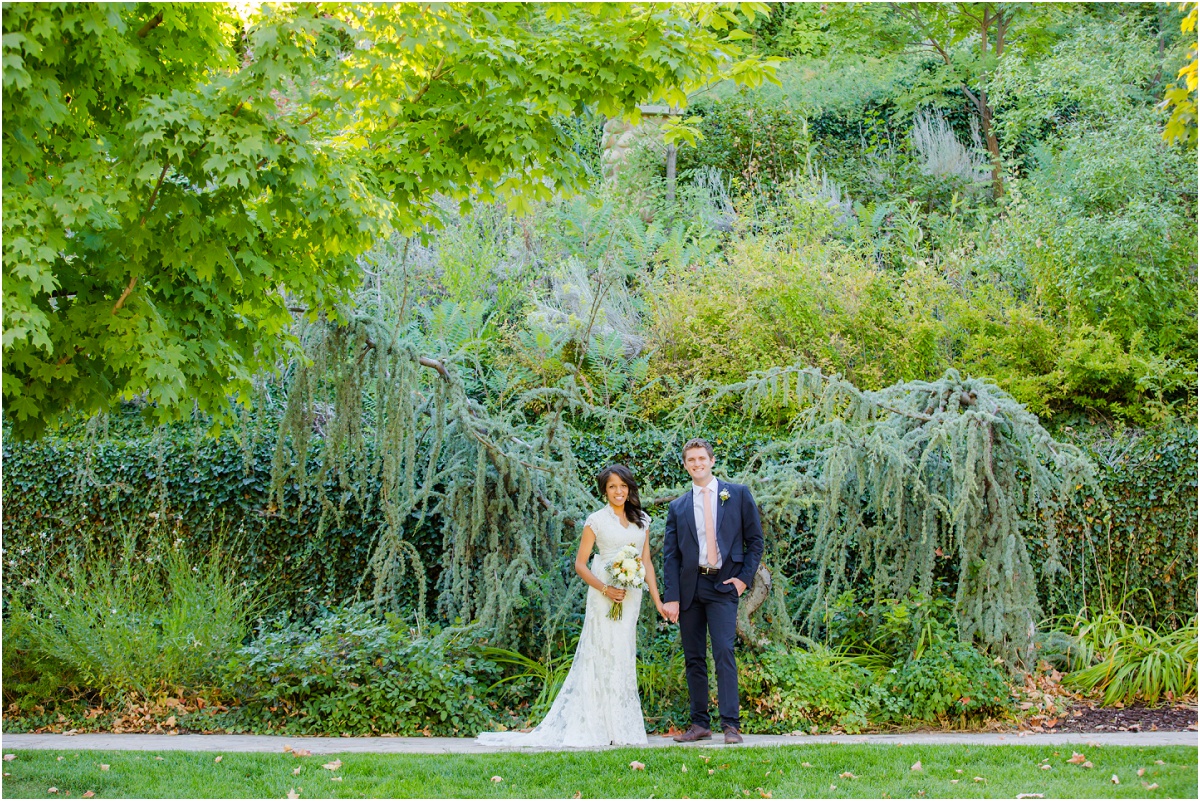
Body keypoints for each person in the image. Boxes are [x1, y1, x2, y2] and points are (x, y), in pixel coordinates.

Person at [476, 464, 667, 748]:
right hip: (603, 591)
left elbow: (646, 561)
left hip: (630, 595)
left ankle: (621, 728)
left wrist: (657, 600)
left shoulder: (642, 521)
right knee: (600, 651)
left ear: (630, 489)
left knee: (623, 653)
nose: (618, 492)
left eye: (623, 486)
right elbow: (580, 564)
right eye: (613, 486)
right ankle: (596, 725)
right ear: (604, 490)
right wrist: (606, 588)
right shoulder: (596, 521)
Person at [661, 438, 763, 745]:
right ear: (685, 465)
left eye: (701, 458)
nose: (696, 463)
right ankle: (700, 725)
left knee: (723, 651)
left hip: (724, 585)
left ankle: (731, 725)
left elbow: (755, 541)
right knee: (694, 657)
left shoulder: (738, 494)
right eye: (691, 460)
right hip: (690, 587)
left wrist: (743, 580)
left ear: (712, 460)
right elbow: (671, 556)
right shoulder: (677, 507)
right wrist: (672, 597)